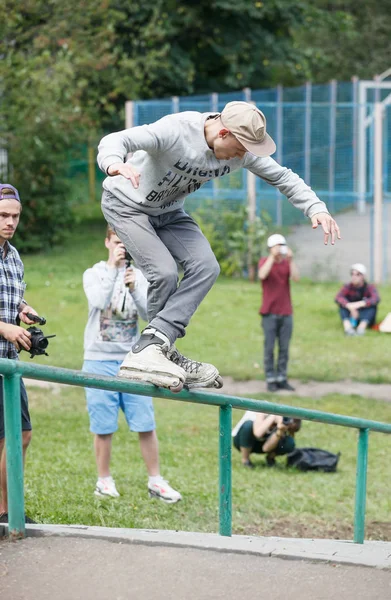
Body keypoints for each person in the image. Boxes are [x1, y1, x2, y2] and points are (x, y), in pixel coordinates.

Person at [97, 101, 340, 392]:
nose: (241, 157)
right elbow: (117, 139)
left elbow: (283, 176)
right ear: (223, 133)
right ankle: (150, 349)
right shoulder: (176, 130)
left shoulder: (241, 152)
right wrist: (114, 162)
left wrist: (316, 208)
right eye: (239, 149)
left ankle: (157, 345)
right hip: (126, 205)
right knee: (163, 272)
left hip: (168, 212)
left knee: (207, 266)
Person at [82, 227, 182, 503]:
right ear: (106, 242)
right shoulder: (94, 274)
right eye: (116, 243)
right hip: (98, 360)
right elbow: (98, 302)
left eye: (125, 244)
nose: (121, 248)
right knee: (103, 425)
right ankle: (104, 480)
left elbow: (150, 315)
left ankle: (156, 481)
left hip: (133, 360)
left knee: (145, 422)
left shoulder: (138, 276)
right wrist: (114, 270)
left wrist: (134, 288)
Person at [0, 183, 40, 524]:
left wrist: (23, 312)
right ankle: (7, 510)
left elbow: (13, 301)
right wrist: (4, 327)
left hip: (8, 364)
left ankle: (7, 508)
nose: (10, 222)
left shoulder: (13, 257)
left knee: (20, 434)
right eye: (3, 215)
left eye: (15, 216)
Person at [258, 234, 299, 392]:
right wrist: (272, 257)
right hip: (269, 312)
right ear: (270, 248)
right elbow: (262, 275)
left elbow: (296, 278)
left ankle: (282, 378)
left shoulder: (287, 263)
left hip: (286, 312)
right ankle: (270, 378)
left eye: (282, 245)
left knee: (284, 348)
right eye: (277, 245)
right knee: (269, 348)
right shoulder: (264, 261)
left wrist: (292, 260)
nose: (280, 248)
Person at [232, 410, 301, 468]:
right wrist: (273, 417)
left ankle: (270, 458)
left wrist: (280, 430)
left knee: (289, 442)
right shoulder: (260, 411)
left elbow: (266, 448)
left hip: (263, 445)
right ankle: (245, 460)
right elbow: (258, 434)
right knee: (248, 426)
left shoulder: (282, 420)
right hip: (242, 441)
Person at [335, 263, 380, 336]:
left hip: (364, 314)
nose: (354, 277)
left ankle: (361, 328)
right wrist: (349, 306)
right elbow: (338, 297)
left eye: (357, 274)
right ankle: (348, 328)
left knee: (372, 307)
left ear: (363, 276)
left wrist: (359, 304)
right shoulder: (348, 286)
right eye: (352, 274)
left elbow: (376, 298)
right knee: (342, 306)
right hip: (351, 314)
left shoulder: (369, 287)